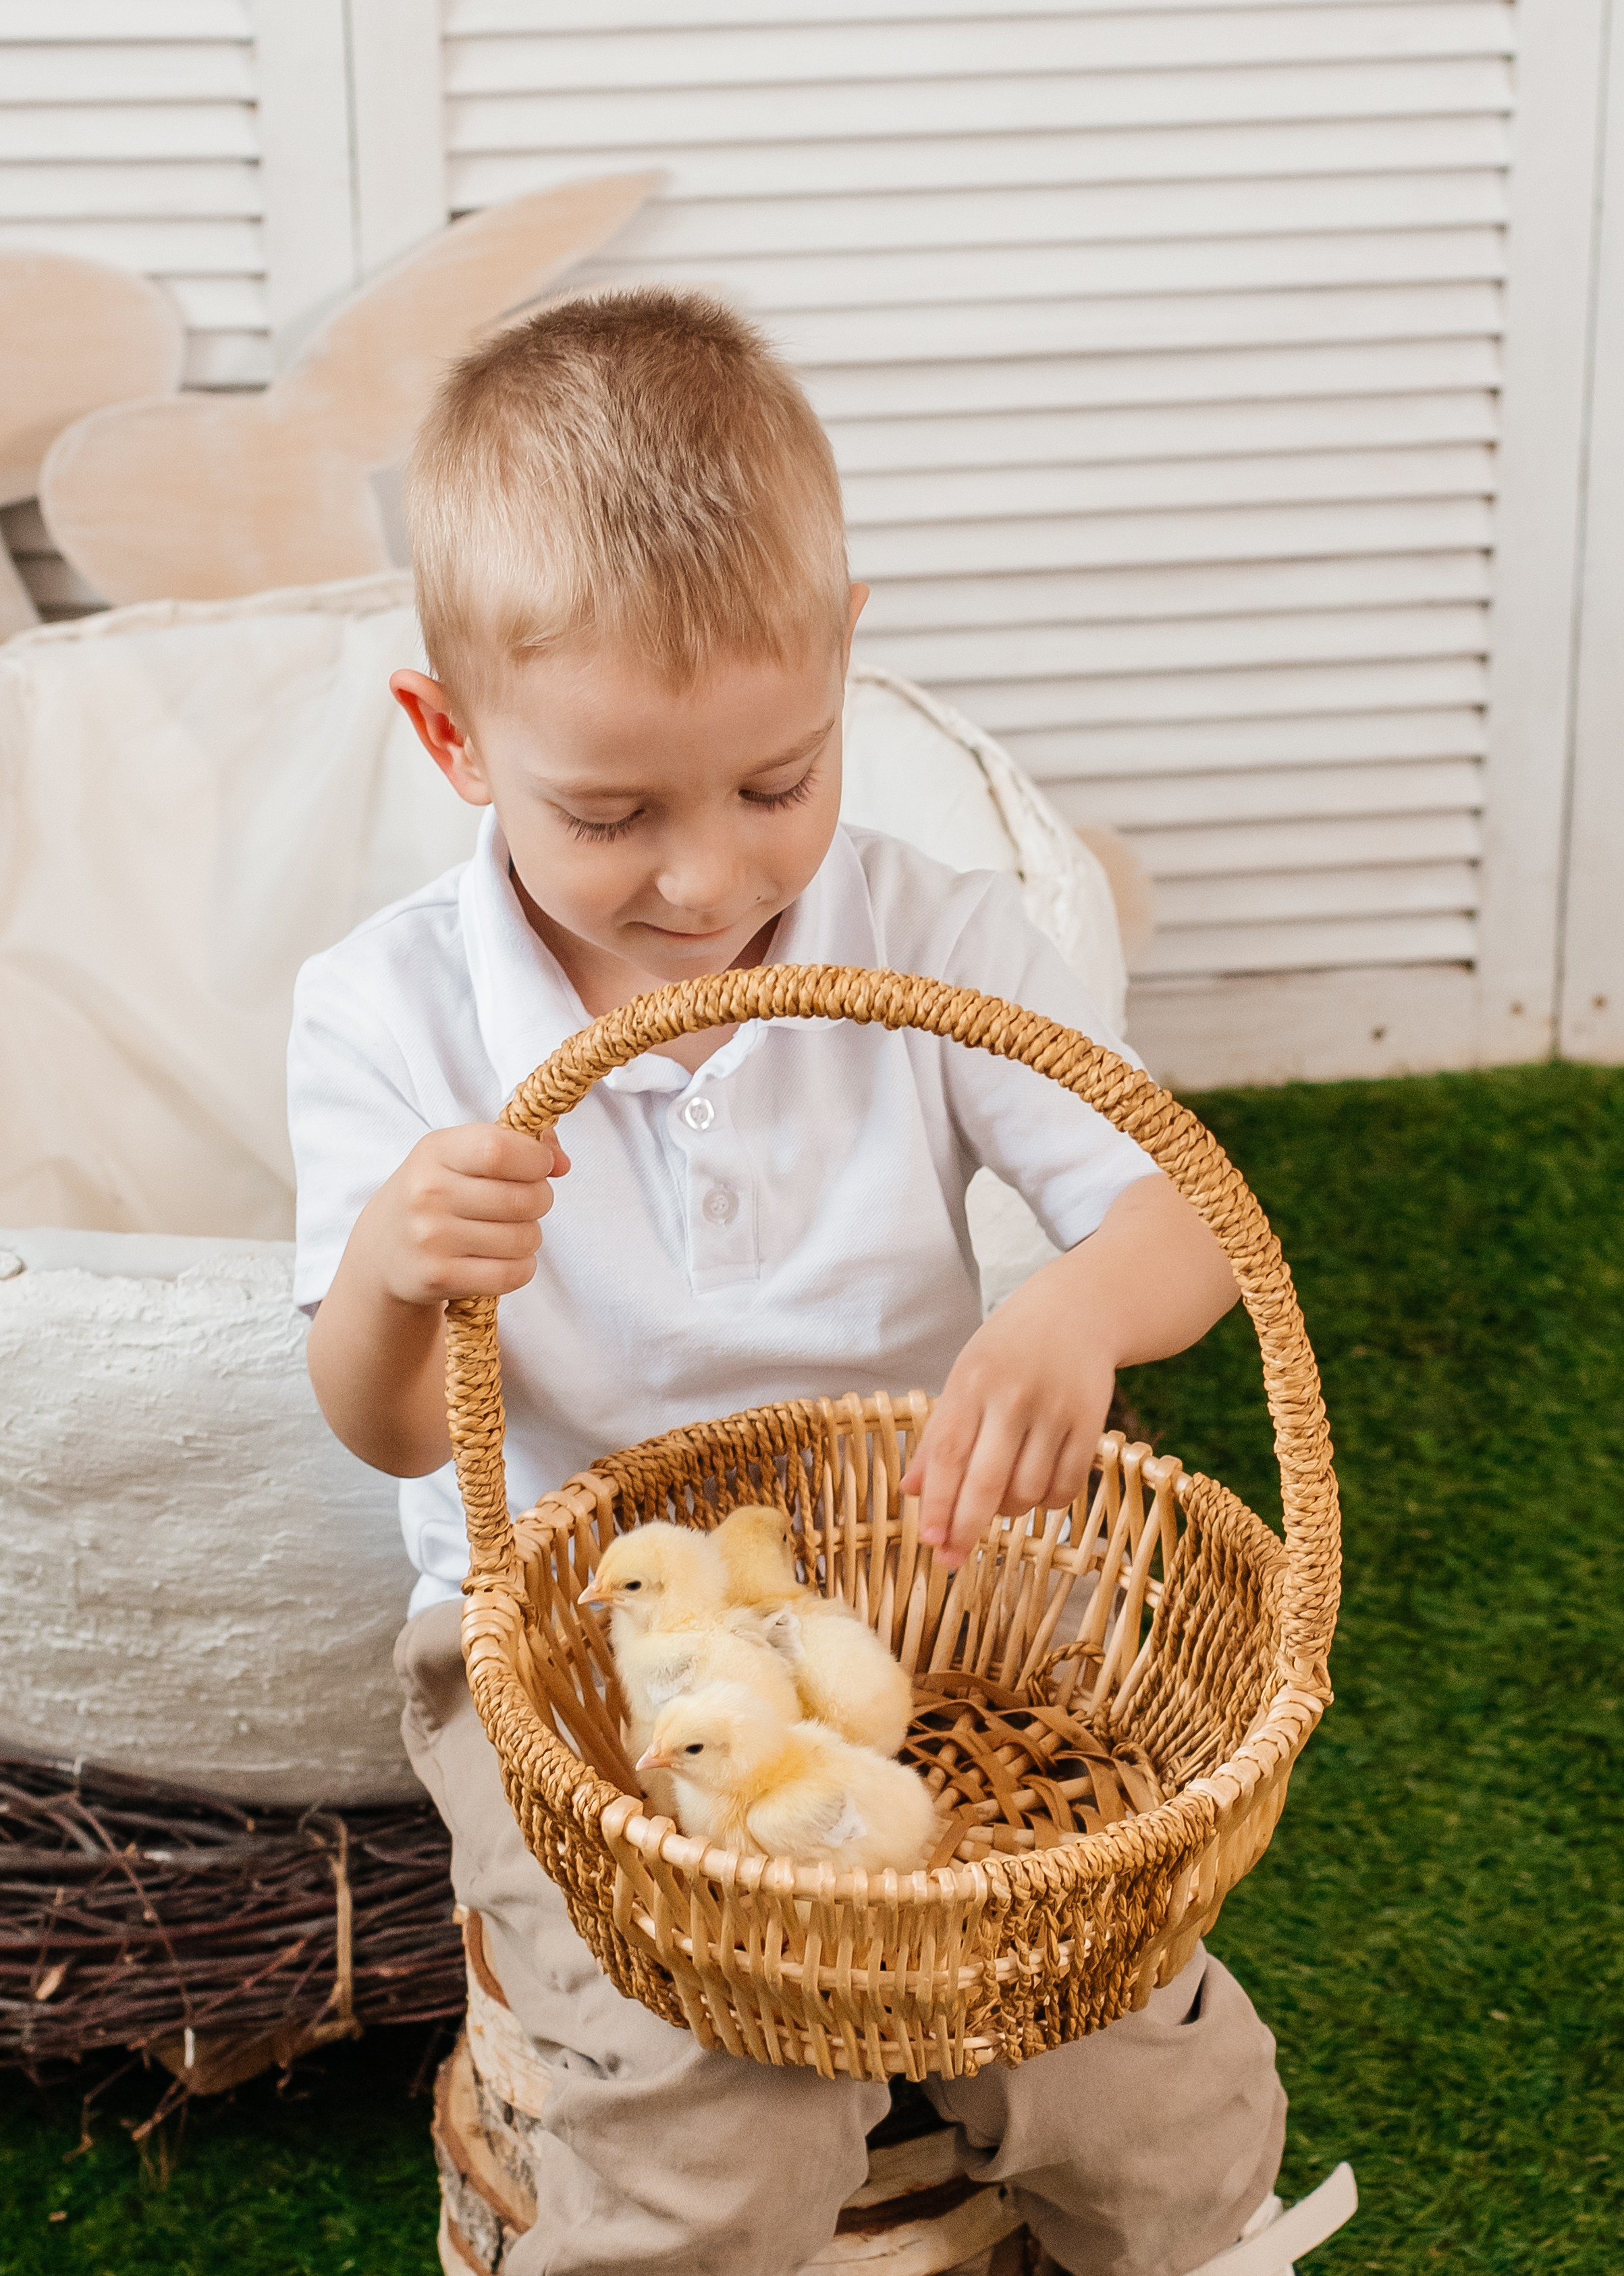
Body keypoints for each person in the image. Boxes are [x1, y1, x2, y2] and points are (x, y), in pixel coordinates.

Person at [289, 287, 1287, 2276]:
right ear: (452, 738)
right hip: (562, 1641)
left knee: (1128, 2033)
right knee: (712, 2090)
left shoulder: (932, 935)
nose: (710, 879)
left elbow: (1196, 1220)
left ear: (843, 671)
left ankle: (1193, 2236)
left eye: (777, 779)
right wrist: (405, 1270)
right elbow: (384, 1423)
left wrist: (1071, 1308)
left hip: (910, 1570)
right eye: (612, 813)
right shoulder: (387, 1010)